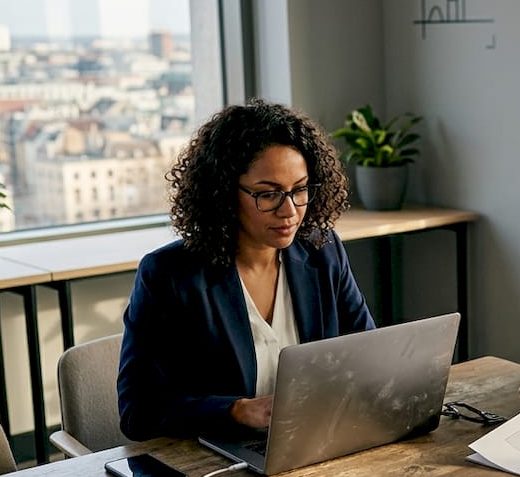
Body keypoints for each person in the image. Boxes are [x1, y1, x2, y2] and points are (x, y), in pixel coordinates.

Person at [118, 99, 375, 441]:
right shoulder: (169, 276)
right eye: (267, 195)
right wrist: (236, 410)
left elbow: (371, 356)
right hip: (219, 462)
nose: (290, 211)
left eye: (300, 190)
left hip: (315, 442)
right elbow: (138, 412)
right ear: (225, 192)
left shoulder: (323, 251)